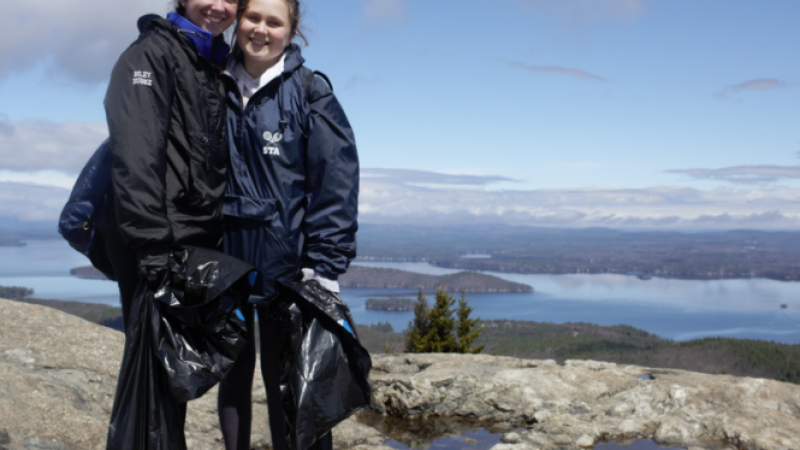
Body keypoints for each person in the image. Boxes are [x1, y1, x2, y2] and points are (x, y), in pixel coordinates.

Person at [215, 0, 360, 449]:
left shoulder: (309, 91)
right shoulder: (210, 82)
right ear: (238, 21)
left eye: (273, 22)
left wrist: (325, 269)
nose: (260, 29)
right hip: (224, 264)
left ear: (292, 30)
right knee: (233, 378)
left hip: (291, 272)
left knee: (292, 390)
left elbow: (336, 183)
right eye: (252, 17)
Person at [100, 0, 236, 447]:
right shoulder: (150, 55)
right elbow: (136, 156)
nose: (218, 6)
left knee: (166, 375)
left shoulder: (206, 61)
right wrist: (151, 245)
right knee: (153, 386)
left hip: (184, 240)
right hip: (156, 243)